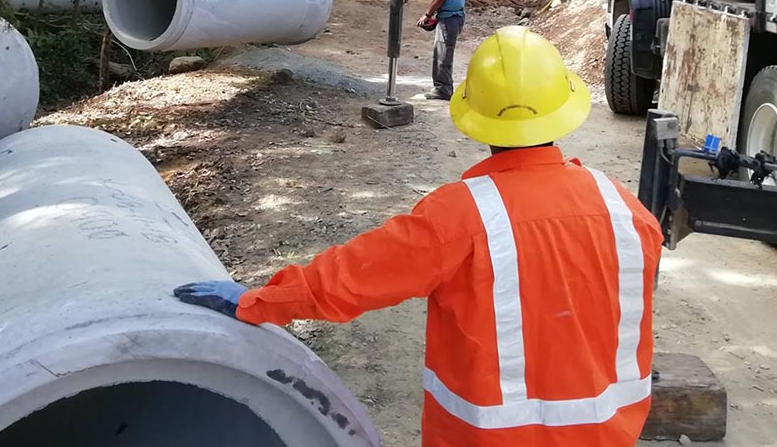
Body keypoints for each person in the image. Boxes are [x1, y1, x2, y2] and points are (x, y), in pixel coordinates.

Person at [175, 26, 664, 447]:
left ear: (477, 116)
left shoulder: (460, 216)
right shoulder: (627, 209)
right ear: (564, 105)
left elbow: (353, 276)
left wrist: (257, 300)